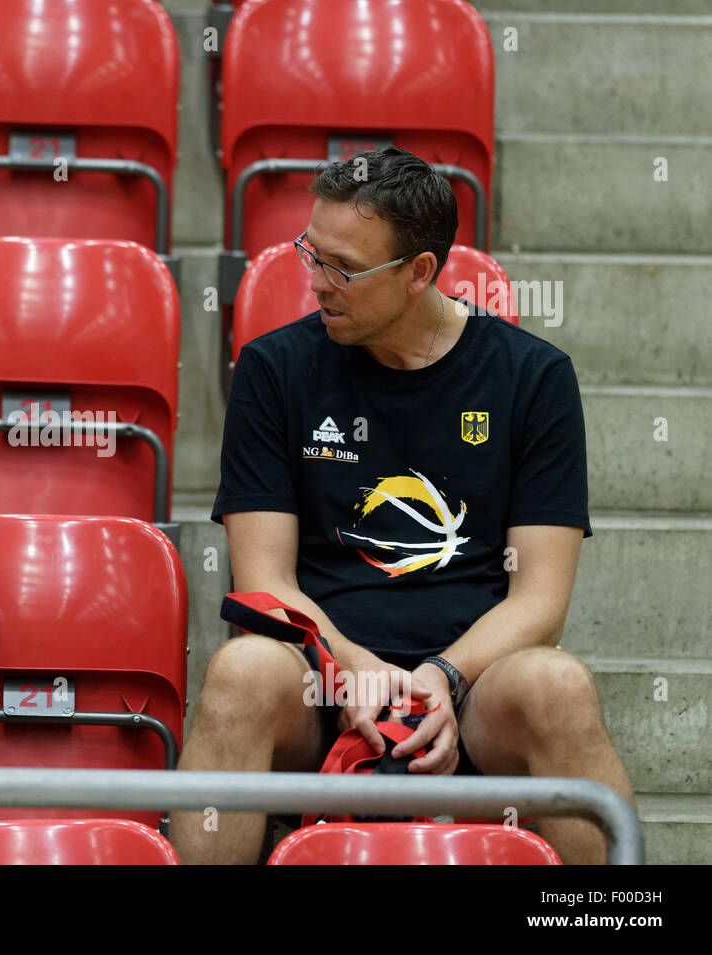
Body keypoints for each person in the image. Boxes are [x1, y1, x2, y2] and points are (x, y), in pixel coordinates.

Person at [170, 147, 635, 865]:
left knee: (559, 683)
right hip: (317, 678)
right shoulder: (274, 369)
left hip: (474, 686)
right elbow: (265, 585)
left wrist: (441, 677)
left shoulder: (533, 378)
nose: (317, 282)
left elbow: (540, 599)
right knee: (239, 672)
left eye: (343, 268)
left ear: (420, 272)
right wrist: (354, 667)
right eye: (310, 253)